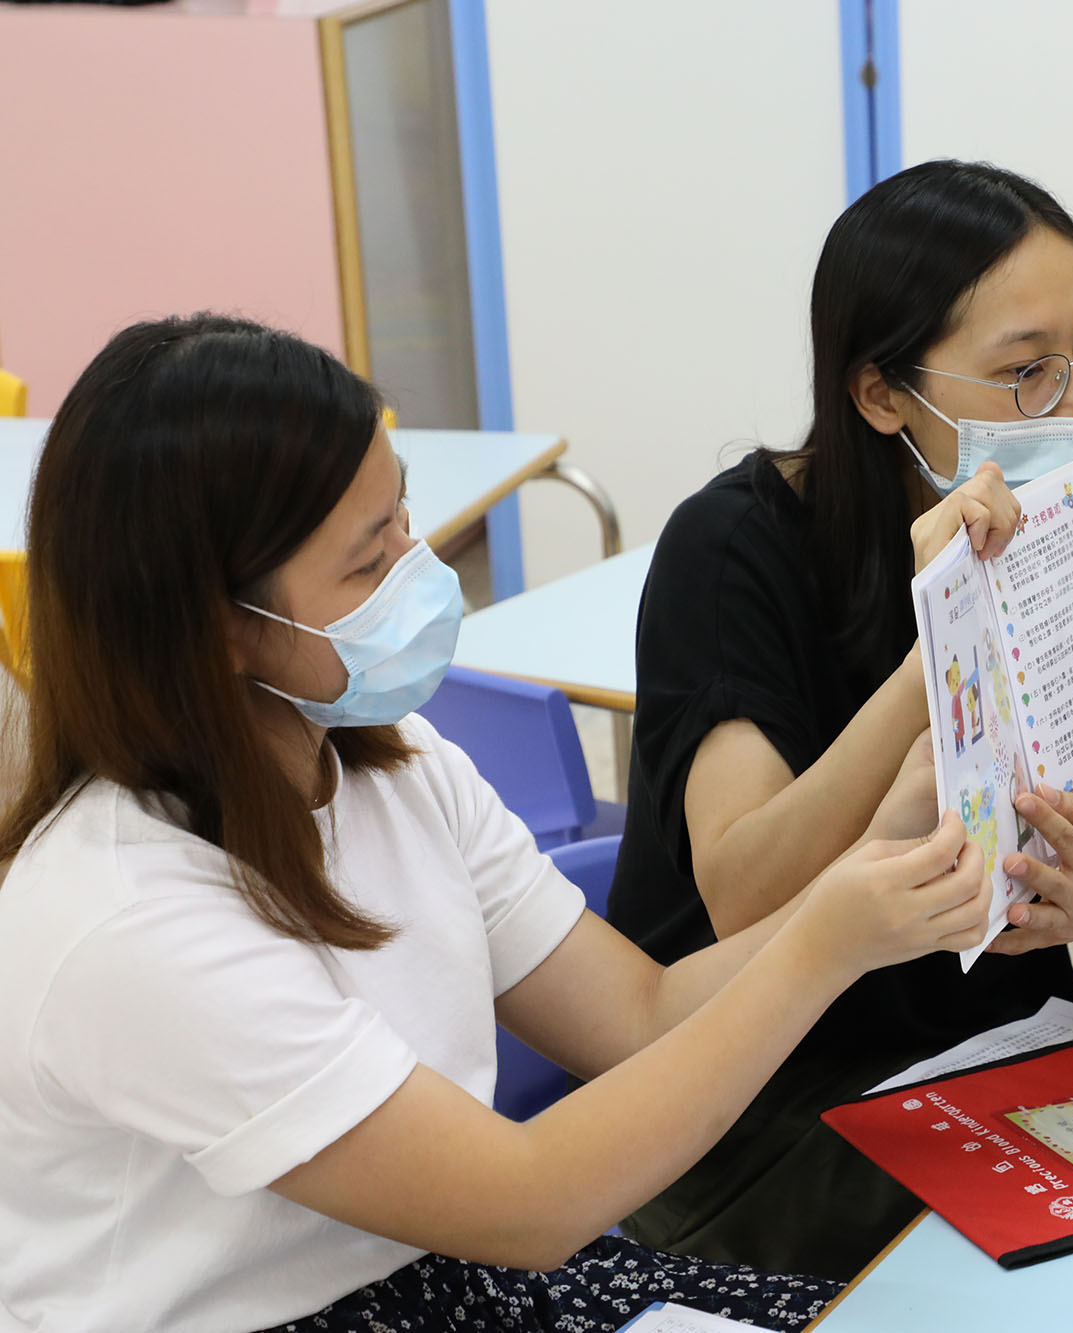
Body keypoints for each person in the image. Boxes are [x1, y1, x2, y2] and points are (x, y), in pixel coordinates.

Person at [0, 315, 993, 1333]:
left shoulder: (394, 762)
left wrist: (877, 860)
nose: (418, 568)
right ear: (220, 630)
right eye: (367, 562)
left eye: (402, 518)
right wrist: (825, 945)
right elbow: (530, 1204)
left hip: (452, 1276)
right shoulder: (128, 918)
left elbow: (639, 1016)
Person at [608, 160, 1073, 1278]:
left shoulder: (1058, 514)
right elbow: (742, 892)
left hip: (1002, 1051)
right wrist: (945, 643)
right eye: (1024, 372)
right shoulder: (732, 550)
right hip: (771, 1095)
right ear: (881, 394)